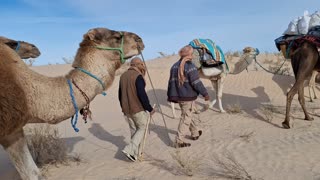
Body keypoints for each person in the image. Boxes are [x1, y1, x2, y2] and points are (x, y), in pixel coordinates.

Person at [167, 45, 209, 148]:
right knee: (186, 117)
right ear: (189, 54)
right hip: (187, 97)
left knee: (190, 114)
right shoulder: (190, 66)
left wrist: (171, 95)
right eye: (192, 53)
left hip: (181, 96)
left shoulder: (174, 66)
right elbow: (196, 82)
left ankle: (194, 133)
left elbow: (170, 83)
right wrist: (205, 93)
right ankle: (179, 140)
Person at [118, 57, 155, 162]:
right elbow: (142, 94)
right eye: (141, 64)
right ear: (136, 64)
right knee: (142, 128)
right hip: (137, 108)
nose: (143, 66)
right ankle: (129, 149)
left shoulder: (123, 76)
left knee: (134, 131)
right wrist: (149, 108)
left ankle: (135, 154)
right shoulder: (137, 76)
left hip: (127, 110)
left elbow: (119, 95)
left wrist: (123, 107)